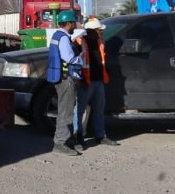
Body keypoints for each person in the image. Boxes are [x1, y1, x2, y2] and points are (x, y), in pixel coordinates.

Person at [76, 17, 120, 148]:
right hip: (85, 82)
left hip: (98, 81)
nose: (102, 32)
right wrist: (79, 79)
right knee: (79, 111)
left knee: (99, 110)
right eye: (99, 30)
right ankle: (77, 138)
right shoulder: (79, 42)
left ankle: (100, 136)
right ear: (92, 31)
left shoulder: (100, 42)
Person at [45, 10, 84, 156]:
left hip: (60, 78)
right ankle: (61, 142)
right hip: (66, 79)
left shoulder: (57, 35)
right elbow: (68, 58)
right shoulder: (64, 38)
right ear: (68, 23)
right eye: (74, 22)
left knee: (64, 110)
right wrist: (81, 59)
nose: (75, 25)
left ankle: (67, 140)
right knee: (66, 112)